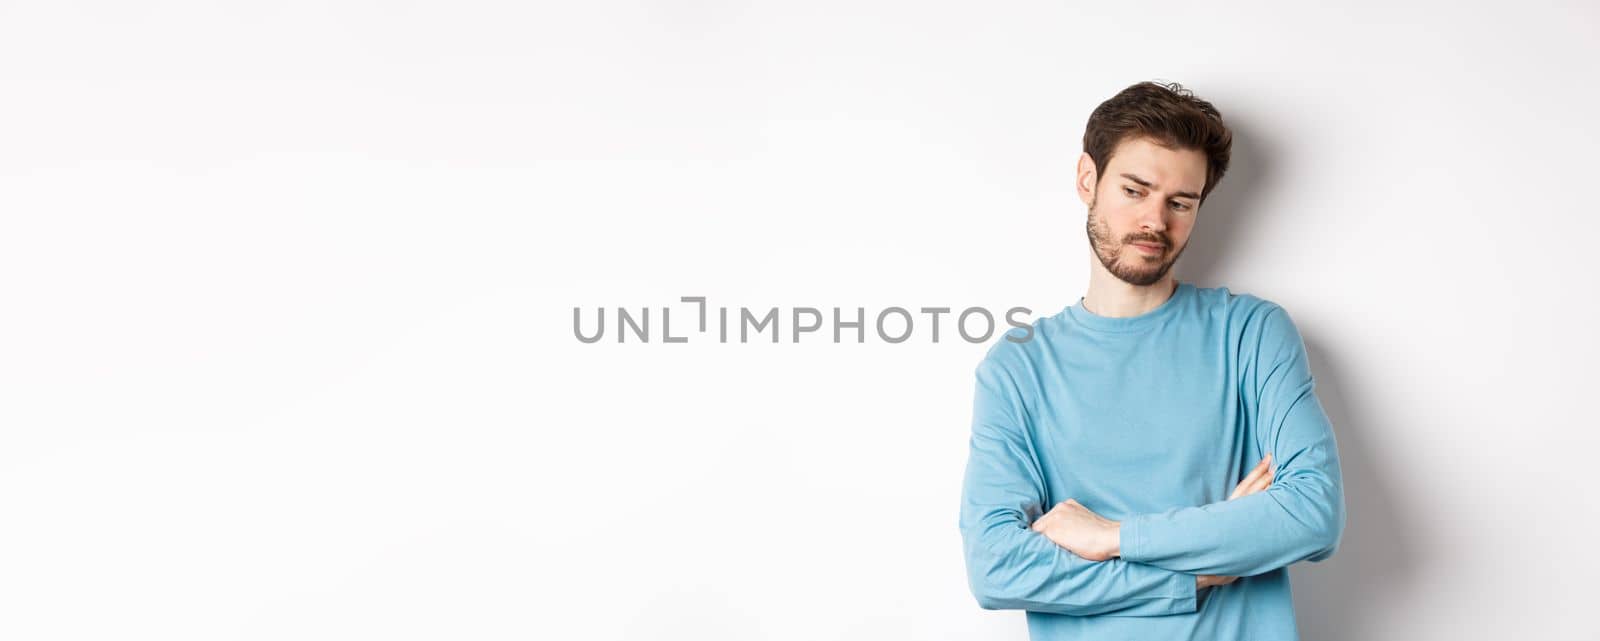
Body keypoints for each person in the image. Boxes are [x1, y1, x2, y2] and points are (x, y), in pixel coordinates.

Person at [958, 80, 1346, 640]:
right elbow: (996, 568)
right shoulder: (1018, 366)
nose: (1155, 222)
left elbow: (1313, 514)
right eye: (1135, 190)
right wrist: (1195, 577)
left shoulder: (1250, 333)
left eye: (1180, 203)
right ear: (1087, 179)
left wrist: (1114, 536)